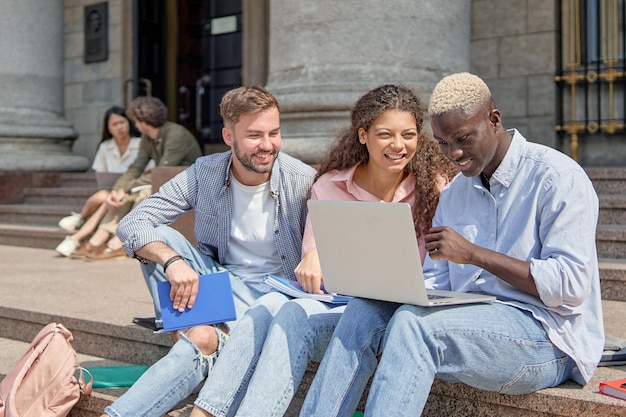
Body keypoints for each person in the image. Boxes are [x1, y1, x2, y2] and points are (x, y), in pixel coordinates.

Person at [299, 72, 604, 417]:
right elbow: (438, 283)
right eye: (443, 143)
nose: (454, 153)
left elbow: (571, 286)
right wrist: (389, 285)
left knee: (416, 327)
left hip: (547, 338)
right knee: (365, 310)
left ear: (494, 120)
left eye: (463, 138)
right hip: (471, 319)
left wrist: (475, 255)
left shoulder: (557, 178)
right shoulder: (457, 192)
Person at [186, 85, 458, 417]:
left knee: (283, 309)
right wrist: (314, 258)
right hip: (343, 309)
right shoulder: (329, 187)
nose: (398, 145)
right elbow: (315, 276)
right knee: (284, 311)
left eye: (409, 135)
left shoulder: (438, 189)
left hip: (408, 316)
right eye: (385, 134)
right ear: (363, 135)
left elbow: (444, 274)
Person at [100, 86, 317, 417]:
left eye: (274, 133)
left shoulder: (301, 180)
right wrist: (171, 261)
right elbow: (133, 223)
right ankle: (189, 326)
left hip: (277, 296)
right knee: (158, 238)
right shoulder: (206, 171)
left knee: (202, 340)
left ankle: (195, 337)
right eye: (254, 135)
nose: (267, 145)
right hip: (219, 283)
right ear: (228, 136)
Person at [75, 96, 203, 260]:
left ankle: (119, 243)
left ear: (143, 122)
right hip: (163, 181)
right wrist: (118, 190)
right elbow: (136, 167)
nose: (135, 125)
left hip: (184, 185)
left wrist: (128, 187)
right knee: (124, 197)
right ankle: (97, 240)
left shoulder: (176, 135)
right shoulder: (147, 138)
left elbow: (163, 171)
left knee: (142, 195)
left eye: (135, 121)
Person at [55, 106, 145, 256]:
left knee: (107, 200)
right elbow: (100, 173)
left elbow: (146, 172)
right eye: (114, 124)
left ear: (129, 123)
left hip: (133, 190)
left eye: (122, 122)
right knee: (103, 196)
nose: (120, 127)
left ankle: (78, 238)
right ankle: (81, 219)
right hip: (111, 190)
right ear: (108, 128)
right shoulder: (105, 147)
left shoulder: (141, 144)